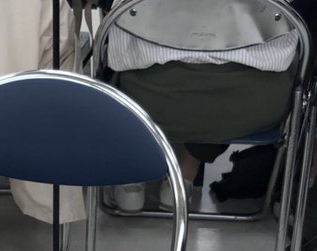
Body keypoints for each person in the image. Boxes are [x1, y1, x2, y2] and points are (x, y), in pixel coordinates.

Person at [103, 0, 300, 210]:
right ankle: (183, 177)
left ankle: (133, 178)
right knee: (224, 94)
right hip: (253, 104)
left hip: (149, 98)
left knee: (125, 49)